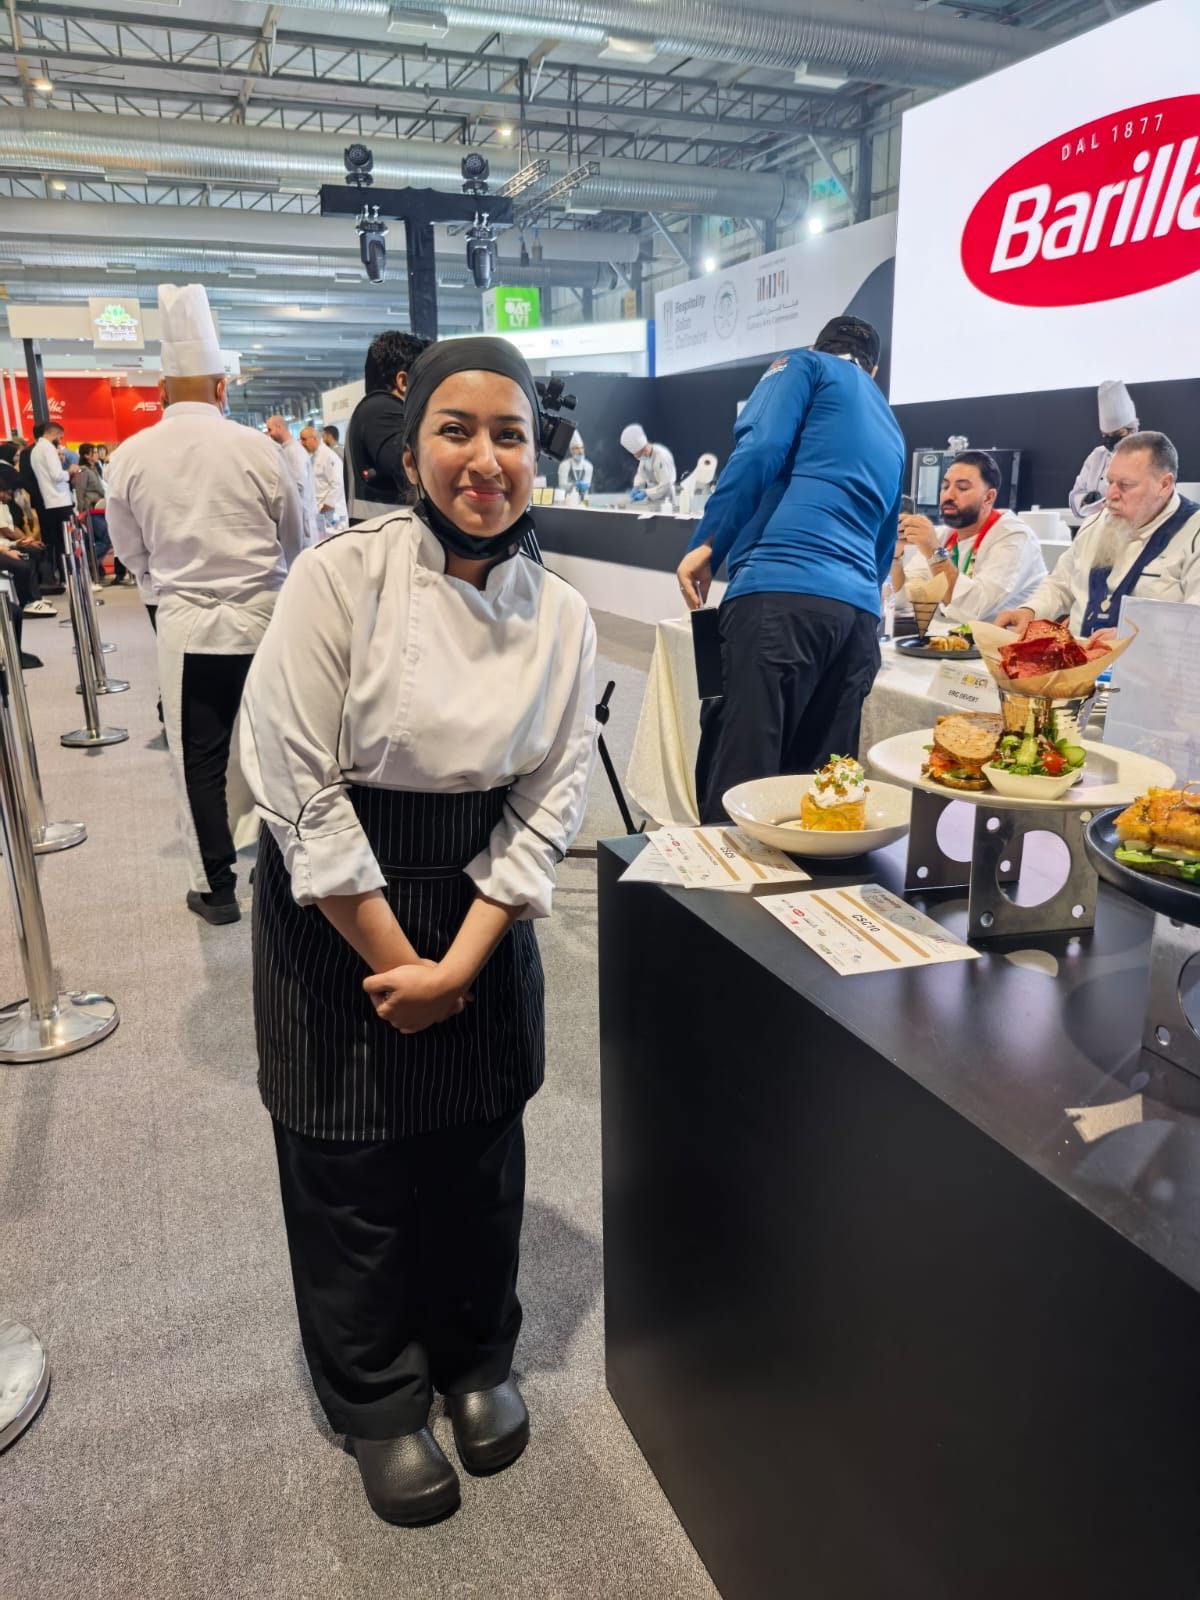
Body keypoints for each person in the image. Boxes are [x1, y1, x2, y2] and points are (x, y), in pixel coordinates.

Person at [239, 336, 597, 1528]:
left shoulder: (563, 615)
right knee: (351, 1170)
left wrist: (461, 966)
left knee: (478, 1159)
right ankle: (379, 1398)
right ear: (410, 451)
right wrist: (403, 964)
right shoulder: (337, 580)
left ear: (538, 456)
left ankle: (475, 1356)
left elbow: (549, 802)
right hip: (342, 911)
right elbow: (297, 784)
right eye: (457, 429)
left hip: (477, 914)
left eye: (511, 435)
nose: (485, 459)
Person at [107, 283, 305, 925]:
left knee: (199, 757)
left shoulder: (130, 456)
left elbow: (128, 551)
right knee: (280, 749)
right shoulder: (259, 449)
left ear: (162, 390)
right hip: (265, 622)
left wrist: (162, 579)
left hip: (187, 625)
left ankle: (217, 889)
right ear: (222, 388)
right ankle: (293, 872)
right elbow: (296, 538)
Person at [676, 316, 905, 824]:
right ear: (873, 369)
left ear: (818, 345)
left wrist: (709, 542)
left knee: (741, 785)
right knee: (821, 798)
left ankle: (726, 876)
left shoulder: (804, 365)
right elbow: (883, 544)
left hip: (778, 597)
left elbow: (760, 447)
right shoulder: (892, 425)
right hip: (855, 624)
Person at [997, 431, 1200, 640]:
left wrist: (1136, 637)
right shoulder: (1096, 522)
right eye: (1110, 482)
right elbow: (1061, 583)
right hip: (1078, 655)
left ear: (1164, 485)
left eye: (1126, 485)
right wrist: (1030, 610)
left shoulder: (1193, 532)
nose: (1111, 495)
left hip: (1147, 659)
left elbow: (1195, 622)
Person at [891, 451, 1045, 625]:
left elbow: (973, 609)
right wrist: (895, 555)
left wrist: (934, 553)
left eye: (962, 488)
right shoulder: (944, 535)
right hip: (947, 638)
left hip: (999, 639)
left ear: (988, 497)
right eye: (945, 487)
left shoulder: (1014, 537)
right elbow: (905, 602)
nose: (949, 495)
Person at [344, 330, 431, 522]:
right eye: (427, 380)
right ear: (404, 382)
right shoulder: (381, 410)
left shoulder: (373, 411)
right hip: (393, 536)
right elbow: (418, 471)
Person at [1070, 380, 1138, 520]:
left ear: (1132, 430)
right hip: (1096, 525)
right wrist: (1085, 500)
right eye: (1106, 435)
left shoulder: (1145, 456)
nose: (1110, 439)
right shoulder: (1097, 455)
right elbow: (1076, 493)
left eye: (1117, 434)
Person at [27, 419, 76, 584]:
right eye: (60, 436)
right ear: (54, 433)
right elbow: (57, 475)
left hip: (49, 503)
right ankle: (70, 577)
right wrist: (70, 471)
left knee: (59, 543)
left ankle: (65, 577)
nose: (60, 440)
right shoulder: (48, 448)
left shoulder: (35, 450)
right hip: (60, 502)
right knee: (67, 542)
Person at [266, 415, 319, 548]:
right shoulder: (286, 450)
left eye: (270, 429)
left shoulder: (294, 451)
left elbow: (298, 485)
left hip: (302, 517)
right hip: (296, 517)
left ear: (279, 427)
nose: (268, 434)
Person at [299, 423, 348, 537]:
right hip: (321, 512)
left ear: (314, 439)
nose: (301, 443)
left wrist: (328, 505)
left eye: (304, 439)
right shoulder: (313, 457)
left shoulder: (329, 456)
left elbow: (338, 484)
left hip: (333, 514)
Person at [74, 443, 114, 572]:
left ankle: (96, 568)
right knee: (106, 538)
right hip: (90, 510)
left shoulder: (95, 468)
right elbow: (80, 492)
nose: (98, 454)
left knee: (101, 539)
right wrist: (82, 513)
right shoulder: (83, 470)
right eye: (95, 452)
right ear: (87, 455)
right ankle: (87, 562)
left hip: (99, 508)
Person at [619, 423, 676, 510]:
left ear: (644, 450)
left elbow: (665, 485)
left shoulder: (661, 457)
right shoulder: (645, 457)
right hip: (653, 499)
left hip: (666, 500)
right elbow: (641, 474)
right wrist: (636, 487)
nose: (639, 458)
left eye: (638, 455)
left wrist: (646, 493)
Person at [557, 431, 593, 498]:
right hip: (567, 499)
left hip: (583, 499)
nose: (580, 451)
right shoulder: (564, 465)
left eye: (582, 448)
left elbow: (587, 485)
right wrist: (574, 485)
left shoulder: (588, 466)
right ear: (571, 450)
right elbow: (561, 485)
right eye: (577, 448)